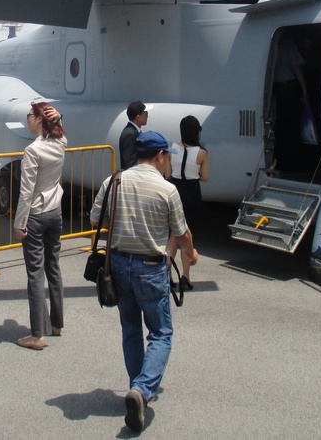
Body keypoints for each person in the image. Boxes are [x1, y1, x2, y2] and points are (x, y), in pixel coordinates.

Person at [90, 130, 198, 433]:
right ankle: (142, 390)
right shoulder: (167, 189)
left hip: (119, 264)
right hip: (151, 267)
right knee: (162, 333)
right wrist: (192, 253)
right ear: (161, 156)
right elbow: (182, 232)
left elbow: (95, 219)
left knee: (131, 329)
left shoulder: (114, 181)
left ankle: (137, 389)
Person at [13, 102, 67, 350]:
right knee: (53, 267)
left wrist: (19, 222)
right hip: (55, 211)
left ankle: (37, 334)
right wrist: (58, 119)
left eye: (30, 116)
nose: (27, 120)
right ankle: (56, 323)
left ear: (38, 119)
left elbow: (26, 192)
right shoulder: (60, 143)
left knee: (35, 273)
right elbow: (61, 132)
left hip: (35, 214)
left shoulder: (32, 150)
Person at [165, 115, 209, 290]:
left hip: (175, 190)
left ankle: (167, 274)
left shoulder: (172, 149)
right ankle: (185, 276)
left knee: (172, 236)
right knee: (187, 233)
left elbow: (167, 174)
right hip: (192, 192)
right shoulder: (202, 152)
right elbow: (205, 177)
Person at [272, 40, 308, 172]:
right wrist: (304, 88)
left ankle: (278, 161)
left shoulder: (274, 44)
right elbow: (296, 66)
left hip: (274, 88)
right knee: (292, 126)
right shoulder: (289, 45)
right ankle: (289, 163)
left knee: (280, 127)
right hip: (288, 87)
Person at [118, 100, 149, 170]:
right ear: (138, 117)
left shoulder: (134, 131)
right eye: (145, 113)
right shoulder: (130, 134)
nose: (147, 115)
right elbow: (129, 162)